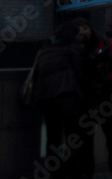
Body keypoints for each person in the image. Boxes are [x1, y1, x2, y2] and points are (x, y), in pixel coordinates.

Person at [30, 17, 94, 179]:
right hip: (67, 97)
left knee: (53, 138)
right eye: (78, 34)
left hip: (47, 99)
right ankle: (73, 172)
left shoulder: (45, 48)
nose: (81, 37)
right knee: (74, 137)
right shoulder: (72, 48)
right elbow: (80, 75)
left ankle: (54, 174)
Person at [83, 25, 112, 179]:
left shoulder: (104, 42)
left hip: (105, 91)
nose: (84, 31)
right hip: (90, 93)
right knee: (88, 137)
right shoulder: (101, 43)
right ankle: (87, 172)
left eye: (85, 27)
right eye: (80, 29)